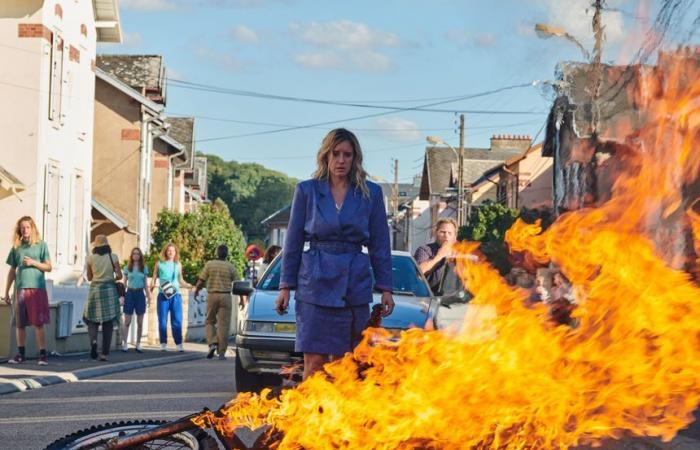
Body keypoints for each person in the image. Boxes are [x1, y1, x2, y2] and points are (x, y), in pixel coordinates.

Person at [275, 128, 394, 380]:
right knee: (315, 362)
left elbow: (380, 244)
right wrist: (286, 286)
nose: (341, 160)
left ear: (355, 158)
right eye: (336, 153)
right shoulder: (306, 191)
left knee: (347, 364)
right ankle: (310, 417)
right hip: (314, 285)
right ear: (325, 156)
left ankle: (341, 418)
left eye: (347, 155)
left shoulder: (370, 193)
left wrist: (386, 288)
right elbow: (293, 241)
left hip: (354, 285)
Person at [3, 217, 52, 365]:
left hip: (37, 289)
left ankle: (42, 355)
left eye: (27, 227)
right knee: (20, 324)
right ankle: (20, 355)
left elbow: (49, 267)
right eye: (22, 227)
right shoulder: (16, 247)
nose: (25, 230)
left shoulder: (41, 245)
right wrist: (6, 292)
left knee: (38, 323)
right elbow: (12, 270)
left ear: (33, 229)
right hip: (20, 289)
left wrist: (33, 263)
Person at [193, 245, 239, 360]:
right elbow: (238, 284)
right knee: (224, 325)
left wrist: (196, 290)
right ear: (226, 254)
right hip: (226, 296)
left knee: (209, 320)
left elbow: (201, 280)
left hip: (212, 295)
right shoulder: (230, 266)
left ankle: (212, 343)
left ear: (216, 253)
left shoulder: (210, 264)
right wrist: (243, 299)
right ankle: (222, 353)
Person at [84, 235, 122, 361]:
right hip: (109, 289)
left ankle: (93, 342)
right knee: (108, 322)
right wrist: (113, 277)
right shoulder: (113, 257)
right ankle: (104, 353)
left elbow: (89, 278)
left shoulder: (90, 258)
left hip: (95, 290)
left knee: (91, 320)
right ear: (107, 245)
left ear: (95, 246)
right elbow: (119, 275)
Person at [151, 243, 191, 352]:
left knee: (177, 320)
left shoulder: (178, 264)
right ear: (165, 251)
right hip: (163, 294)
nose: (171, 252)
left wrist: (188, 285)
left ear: (175, 252)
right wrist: (151, 288)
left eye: (173, 251)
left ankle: (179, 344)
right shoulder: (159, 264)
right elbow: (154, 277)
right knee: (162, 320)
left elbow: (180, 279)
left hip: (176, 295)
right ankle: (163, 343)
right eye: (169, 250)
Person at [414, 218, 458, 294]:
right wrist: (439, 256)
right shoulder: (425, 250)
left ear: (454, 236)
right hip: (428, 297)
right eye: (443, 232)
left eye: (450, 233)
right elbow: (419, 272)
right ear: (436, 233)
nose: (446, 236)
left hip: (454, 300)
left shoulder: (461, 253)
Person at [121, 247, 151, 353]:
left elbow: (146, 285)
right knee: (127, 321)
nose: (136, 255)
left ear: (140, 255)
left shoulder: (144, 268)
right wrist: (122, 296)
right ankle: (125, 343)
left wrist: (149, 296)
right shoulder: (127, 268)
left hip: (140, 294)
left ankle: (138, 343)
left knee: (140, 322)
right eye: (134, 253)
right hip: (129, 293)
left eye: (138, 254)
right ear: (131, 255)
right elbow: (124, 283)